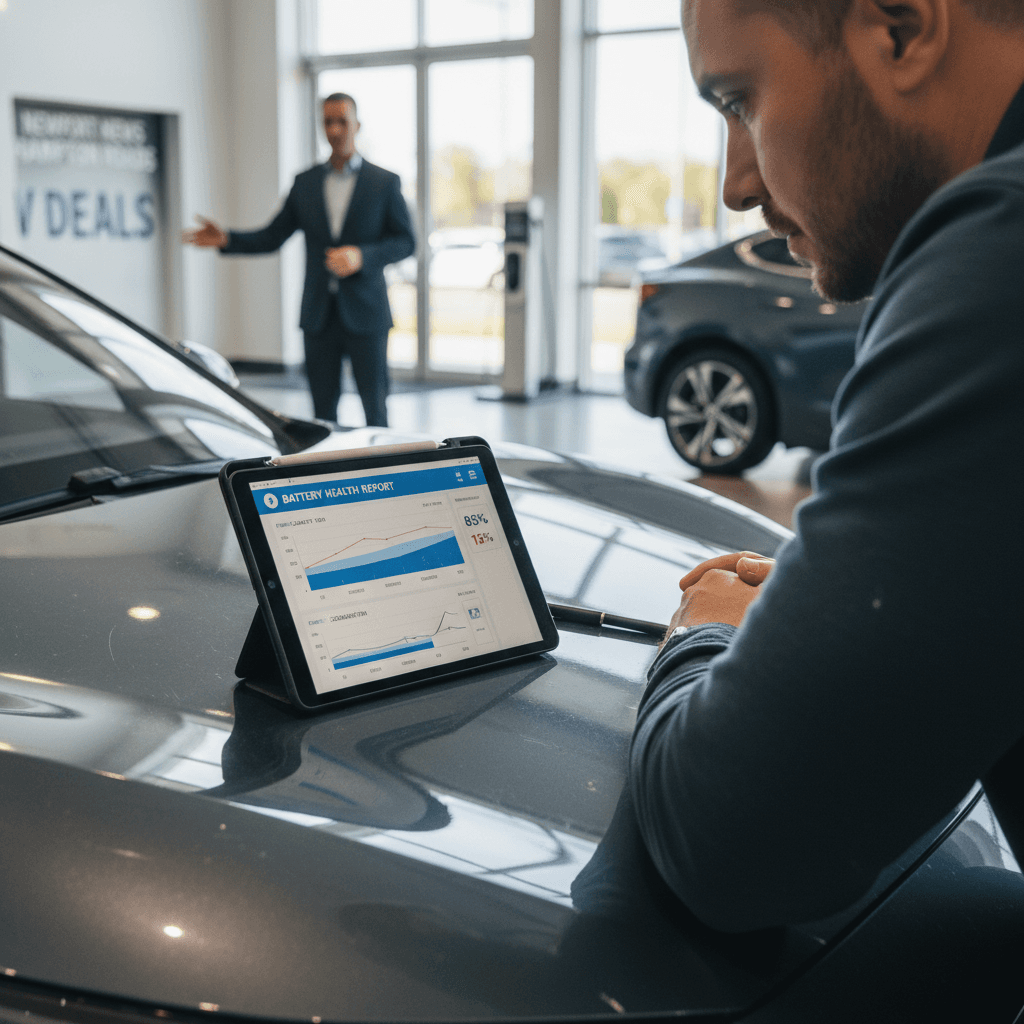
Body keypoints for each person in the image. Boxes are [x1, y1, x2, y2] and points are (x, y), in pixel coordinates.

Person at [630, 0, 1024, 933]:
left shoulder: (1001, 253)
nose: (735, 183)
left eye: (739, 100)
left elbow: (728, 838)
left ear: (901, 28)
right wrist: (844, 615)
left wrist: (708, 628)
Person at [183, 93, 414, 427]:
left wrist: (362, 256)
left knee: (375, 409)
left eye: (342, 121)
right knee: (322, 416)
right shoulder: (305, 183)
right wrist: (228, 239)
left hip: (367, 314)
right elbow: (273, 235)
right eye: (328, 122)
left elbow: (406, 241)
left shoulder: (383, 182)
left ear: (357, 125)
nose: (334, 130)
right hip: (318, 316)